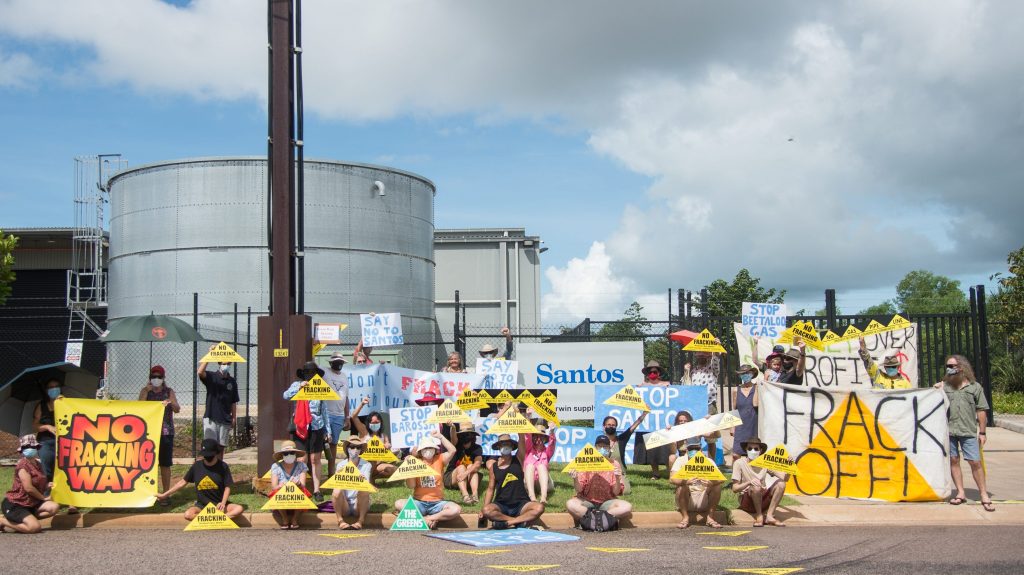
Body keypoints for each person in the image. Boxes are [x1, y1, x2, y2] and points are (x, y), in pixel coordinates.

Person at [936, 355, 993, 511]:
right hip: (950, 431)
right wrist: (935, 390)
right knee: (954, 461)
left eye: (952, 365)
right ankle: (960, 493)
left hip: (968, 431)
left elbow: (981, 410)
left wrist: (982, 432)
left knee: (975, 462)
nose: (949, 368)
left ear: (961, 367)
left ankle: (983, 494)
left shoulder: (975, 387)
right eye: (947, 365)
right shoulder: (945, 387)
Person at [156, 438, 244, 521]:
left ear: (215, 453)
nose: (207, 457)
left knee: (238, 509)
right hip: (202, 506)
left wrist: (223, 503)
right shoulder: (196, 466)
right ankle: (217, 519)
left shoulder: (223, 466)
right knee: (188, 514)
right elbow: (182, 483)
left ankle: (214, 519)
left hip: (219, 505)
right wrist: (165, 495)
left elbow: (228, 487)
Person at [283, 361, 331, 501]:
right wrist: (299, 387)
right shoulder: (297, 385)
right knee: (302, 458)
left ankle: (317, 489)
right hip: (300, 425)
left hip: (317, 425)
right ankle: (301, 487)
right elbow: (285, 396)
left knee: (315, 459)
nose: (310, 375)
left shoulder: (320, 387)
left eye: (312, 373)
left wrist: (327, 430)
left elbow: (324, 410)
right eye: (307, 373)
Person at [394, 432, 462, 529]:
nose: (428, 450)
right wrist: (408, 468)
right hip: (419, 502)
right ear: (420, 451)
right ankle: (430, 520)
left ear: (435, 449)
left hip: (438, 503)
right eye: (425, 448)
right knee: (398, 503)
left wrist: (441, 437)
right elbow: (411, 486)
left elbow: (452, 450)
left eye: (430, 448)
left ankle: (427, 519)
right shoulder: (416, 463)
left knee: (456, 509)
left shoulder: (440, 459)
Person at [480, 434, 545, 529]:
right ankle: (518, 521)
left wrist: (521, 433)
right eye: (502, 444)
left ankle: (508, 523)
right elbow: (490, 489)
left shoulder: (518, 458)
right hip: (501, 504)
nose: (505, 446)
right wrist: (483, 509)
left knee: (539, 508)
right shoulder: (493, 467)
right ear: (498, 446)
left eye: (508, 444)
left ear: (512, 446)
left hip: (521, 504)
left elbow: (522, 441)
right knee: (487, 510)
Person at [565, 435, 631, 526]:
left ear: (609, 448)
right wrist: (575, 478)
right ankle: (602, 520)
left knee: (626, 507)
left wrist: (617, 478)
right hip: (587, 500)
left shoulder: (614, 464)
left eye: (605, 446)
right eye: (600, 446)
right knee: (571, 504)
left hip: (607, 502)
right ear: (595, 448)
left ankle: (591, 520)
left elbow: (615, 493)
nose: (602, 448)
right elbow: (579, 490)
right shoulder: (586, 462)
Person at [0, 435, 59, 534]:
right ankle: (3, 521)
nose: (30, 449)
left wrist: (46, 486)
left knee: (54, 507)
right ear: (22, 449)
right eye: (27, 447)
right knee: (34, 528)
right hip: (17, 503)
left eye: (32, 446)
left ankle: (27, 518)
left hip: (32, 503)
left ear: (36, 447)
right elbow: (29, 488)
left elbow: (37, 483)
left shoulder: (37, 463)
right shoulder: (22, 465)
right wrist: (43, 498)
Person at [139, 365, 180, 503]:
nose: (156, 379)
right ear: (150, 378)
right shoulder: (146, 392)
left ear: (163, 378)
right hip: (148, 433)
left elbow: (177, 409)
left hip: (165, 432)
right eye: (154, 376)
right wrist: (146, 391)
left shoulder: (168, 392)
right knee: (147, 464)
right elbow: (139, 408)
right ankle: (149, 493)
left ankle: (165, 494)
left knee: (165, 464)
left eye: (159, 377)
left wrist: (170, 403)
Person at [731, 436, 788, 527]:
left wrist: (789, 468)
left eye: (756, 449)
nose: (752, 451)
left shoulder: (765, 462)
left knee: (781, 484)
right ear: (746, 449)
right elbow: (734, 488)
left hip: (762, 497)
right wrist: (749, 482)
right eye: (750, 448)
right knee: (756, 487)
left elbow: (784, 478)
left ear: (760, 450)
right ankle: (759, 516)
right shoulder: (739, 463)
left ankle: (769, 515)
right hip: (747, 499)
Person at [669, 437, 724, 529]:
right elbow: (672, 479)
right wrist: (686, 482)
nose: (694, 451)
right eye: (691, 449)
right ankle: (685, 518)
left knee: (717, 487)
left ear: (701, 450)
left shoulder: (708, 461)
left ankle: (710, 518)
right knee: (682, 487)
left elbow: (721, 479)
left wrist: (712, 483)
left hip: (704, 496)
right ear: (687, 450)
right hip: (687, 498)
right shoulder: (680, 460)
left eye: (697, 449)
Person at [197, 348, 240, 451]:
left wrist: (234, 417)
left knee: (221, 448)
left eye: (229, 364)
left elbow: (234, 401)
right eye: (224, 364)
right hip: (211, 417)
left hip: (225, 419)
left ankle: (219, 466)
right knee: (210, 447)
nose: (226, 366)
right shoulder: (212, 377)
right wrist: (210, 354)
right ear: (219, 363)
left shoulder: (232, 381)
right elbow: (200, 372)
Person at [350, 397, 399, 482]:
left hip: (378, 464)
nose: (375, 424)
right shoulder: (364, 431)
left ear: (381, 423)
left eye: (377, 423)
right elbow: (354, 417)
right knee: (371, 460)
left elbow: (388, 445)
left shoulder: (383, 435)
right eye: (373, 423)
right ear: (369, 423)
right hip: (364, 464)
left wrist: (388, 446)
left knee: (394, 469)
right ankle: (367, 481)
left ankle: (372, 478)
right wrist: (362, 404)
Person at [600, 412, 647, 493]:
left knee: (626, 491)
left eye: (613, 425)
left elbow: (633, 427)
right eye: (609, 424)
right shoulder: (600, 441)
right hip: (604, 473)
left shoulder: (621, 440)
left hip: (619, 474)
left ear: (616, 427)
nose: (611, 426)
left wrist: (644, 415)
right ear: (604, 426)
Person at [332, 436, 372, 530]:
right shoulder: (341, 465)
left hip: (358, 504)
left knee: (364, 489)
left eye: (358, 447)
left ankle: (360, 521)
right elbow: (336, 485)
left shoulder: (367, 465)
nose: (355, 450)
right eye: (352, 447)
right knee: (336, 490)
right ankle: (340, 520)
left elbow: (367, 485)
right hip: (344, 503)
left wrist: (363, 480)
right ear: (347, 449)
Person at [322, 351, 351, 477]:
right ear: (331, 363)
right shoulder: (325, 372)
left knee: (333, 443)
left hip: (339, 415)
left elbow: (346, 398)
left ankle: (331, 472)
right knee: (324, 441)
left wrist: (347, 417)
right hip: (326, 413)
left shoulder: (344, 376)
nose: (338, 364)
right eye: (336, 362)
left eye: (341, 362)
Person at [269, 440, 308, 530]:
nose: (289, 455)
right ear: (282, 455)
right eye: (286, 453)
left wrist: (298, 483)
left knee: (303, 492)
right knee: (276, 492)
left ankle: (295, 518)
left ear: (295, 454)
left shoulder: (301, 465)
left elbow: (303, 484)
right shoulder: (276, 466)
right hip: (282, 495)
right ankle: (285, 518)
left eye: (291, 453)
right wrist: (280, 486)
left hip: (296, 495)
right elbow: (274, 486)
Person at [32, 378, 62, 484]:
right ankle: (46, 494)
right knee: (47, 469)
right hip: (45, 442)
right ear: (46, 390)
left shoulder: (65, 403)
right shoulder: (41, 406)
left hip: (63, 441)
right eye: (51, 387)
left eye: (56, 386)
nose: (54, 389)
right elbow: (35, 426)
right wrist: (48, 427)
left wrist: (65, 402)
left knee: (62, 469)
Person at [445, 422, 484, 504]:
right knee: (461, 467)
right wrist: (453, 427)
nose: (465, 438)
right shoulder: (456, 445)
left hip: (467, 476)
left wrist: (466, 473)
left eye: (468, 435)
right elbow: (453, 439)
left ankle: (474, 495)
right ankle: (465, 496)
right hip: (452, 477)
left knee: (471, 466)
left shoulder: (477, 448)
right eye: (463, 435)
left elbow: (478, 464)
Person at [731, 365, 760, 463]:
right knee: (736, 454)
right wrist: (732, 426)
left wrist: (756, 389)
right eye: (742, 374)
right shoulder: (736, 390)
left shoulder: (757, 387)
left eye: (747, 373)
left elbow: (755, 404)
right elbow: (734, 408)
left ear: (752, 374)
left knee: (753, 453)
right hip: (740, 424)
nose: (745, 376)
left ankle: (751, 474)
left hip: (753, 424)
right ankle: (736, 475)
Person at [522, 423, 556, 504]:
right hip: (529, 483)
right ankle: (532, 497)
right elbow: (527, 437)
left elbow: (552, 444)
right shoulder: (528, 450)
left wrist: (551, 431)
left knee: (541, 466)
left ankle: (544, 497)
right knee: (530, 466)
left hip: (545, 484)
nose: (538, 438)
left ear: (545, 438)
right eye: (536, 436)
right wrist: (528, 419)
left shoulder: (547, 452)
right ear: (532, 437)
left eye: (541, 436)